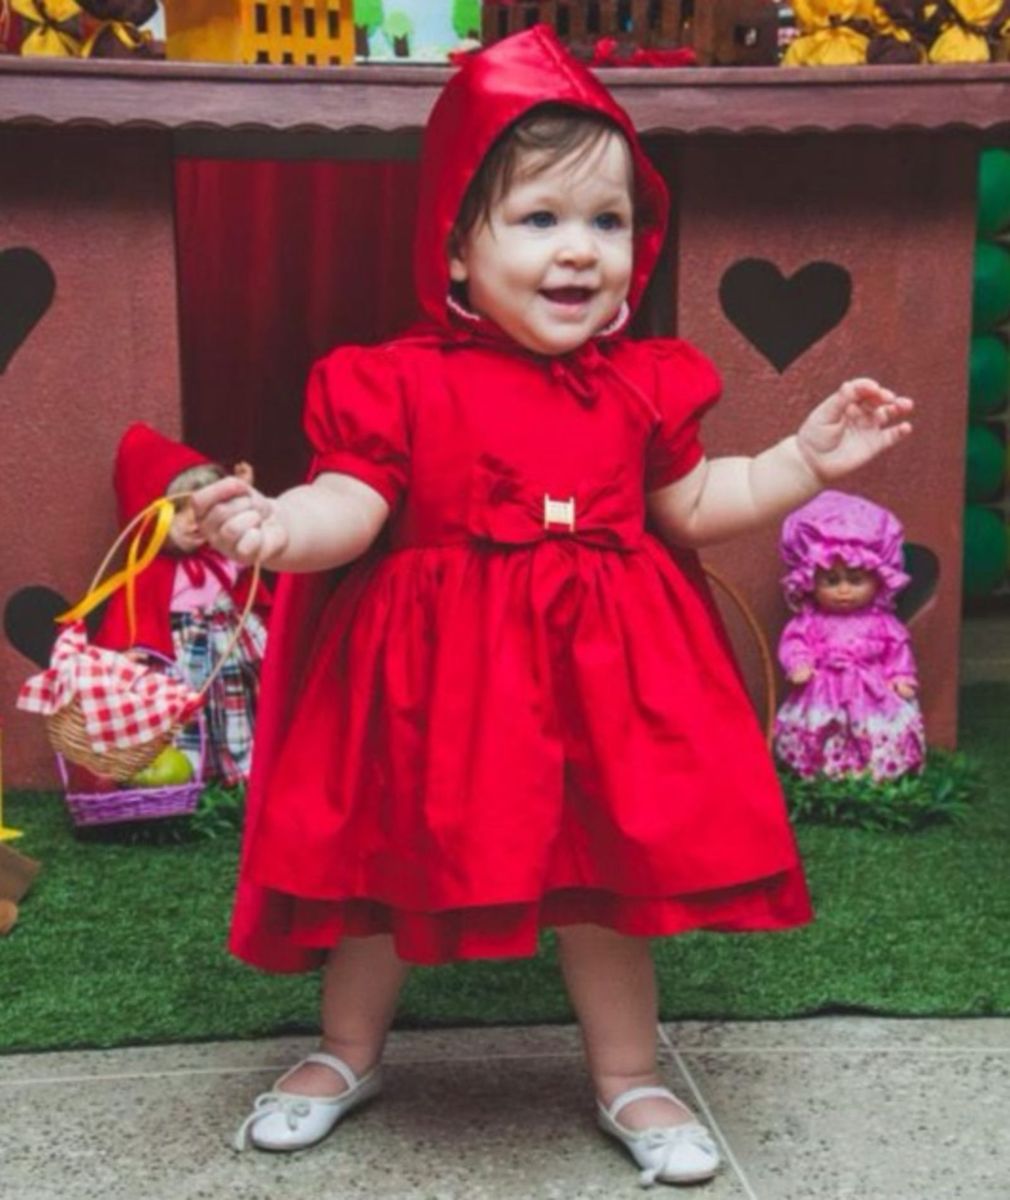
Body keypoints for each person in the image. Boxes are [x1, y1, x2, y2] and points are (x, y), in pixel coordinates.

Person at [193, 26, 914, 1186]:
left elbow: (690, 501)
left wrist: (802, 459)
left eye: (607, 221)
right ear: (455, 251)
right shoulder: (394, 381)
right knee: (381, 873)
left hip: (605, 686)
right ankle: (343, 1051)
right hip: (434, 689)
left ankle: (627, 1072)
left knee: (605, 883)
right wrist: (282, 527)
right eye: (538, 220)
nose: (579, 251)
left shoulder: (644, 380)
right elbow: (351, 502)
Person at [93, 422, 270, 787]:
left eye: (201, 509)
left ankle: (242, 776)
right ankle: (184, 783)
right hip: (179, 663)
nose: (194, 523)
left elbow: (252, 544)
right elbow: (127, 624)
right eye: (179, 511)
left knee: (236, 711)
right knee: (182, 720)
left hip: (230, 657)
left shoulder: (221, 556)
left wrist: (245, 494)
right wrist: (118, 661)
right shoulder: (146, 573)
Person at [773, 489, 926, 781]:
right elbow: (796, 642)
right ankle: (818, 771)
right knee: (820, 729)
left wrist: (900, 676)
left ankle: (877, 771)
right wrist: (799, 664)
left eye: (855, 580)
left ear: (878, 579)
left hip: (871, 689)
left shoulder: (882, 621)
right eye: (831, 581)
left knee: (875, 728)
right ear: (809, 582)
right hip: (822, 689)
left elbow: (897, 649)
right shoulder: (809, 620)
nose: (844, 590)